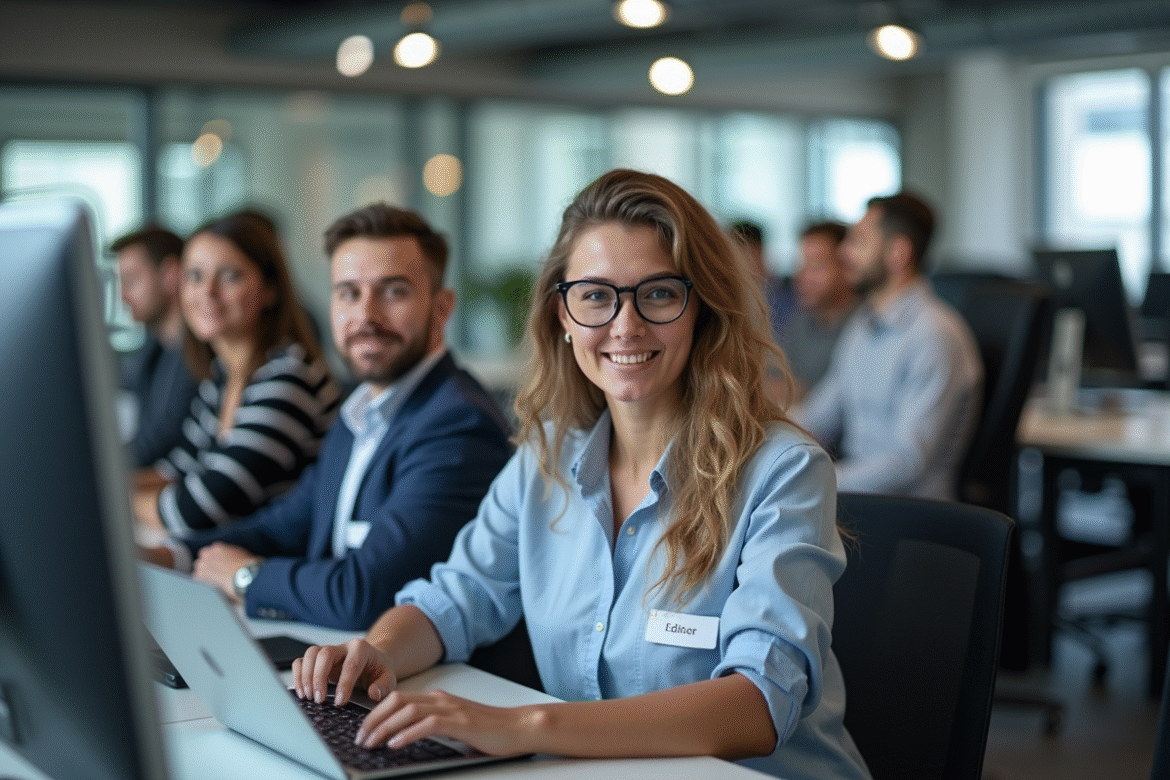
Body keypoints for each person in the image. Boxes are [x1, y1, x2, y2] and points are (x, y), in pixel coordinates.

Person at [293, 170, 872, 780]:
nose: (625, 326)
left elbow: (757, 704)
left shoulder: (782, 470)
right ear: (562, 315)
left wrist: (525, 728)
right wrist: (376, 653)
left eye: (658, 293)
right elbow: (455, 599)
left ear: (702, 308)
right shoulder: (544, 462)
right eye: (595, 295)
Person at [140, 203, 513, 631]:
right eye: (348, 293)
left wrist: (246, 576)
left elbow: (365, 593)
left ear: (442, 308)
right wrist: (172, 556)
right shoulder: (361, 413)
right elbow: (284, 526)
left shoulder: (457, 425)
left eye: (393, 292)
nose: (366, 317)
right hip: (335, 653)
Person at [132, 211, 341, 535]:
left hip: (273, 569)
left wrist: (114, 500)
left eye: (229, 276)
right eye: (195, 276)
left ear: (269, 289)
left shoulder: (288, 379)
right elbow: (178, 469)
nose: (207, 292)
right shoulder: (222, 377)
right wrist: (102, 484)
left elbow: (198, 510)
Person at [795, 192, 982, 500]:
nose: (844, 253)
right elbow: (819, 416)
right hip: (858, 496)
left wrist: (818, 480)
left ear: (897, 252)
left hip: (908, 514)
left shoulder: (934, 335)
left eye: (858, 241)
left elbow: (907, 463)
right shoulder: (863, 325)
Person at [112, 225, 200, 468]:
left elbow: (161, 441)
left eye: (131, 281)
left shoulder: (197, 355)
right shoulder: (154, 349)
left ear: (171, 274)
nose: (123, 296)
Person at [780, 221, 856, 400]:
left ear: (847, 269)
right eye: (800, 266)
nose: (801, 276)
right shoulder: (798, 323)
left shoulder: (865, 326)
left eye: (815, 267)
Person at [729, 219, 794, 340]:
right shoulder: (730, 299)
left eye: (745, 253)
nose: (740, 263)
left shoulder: (790, 293)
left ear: (759, 252)